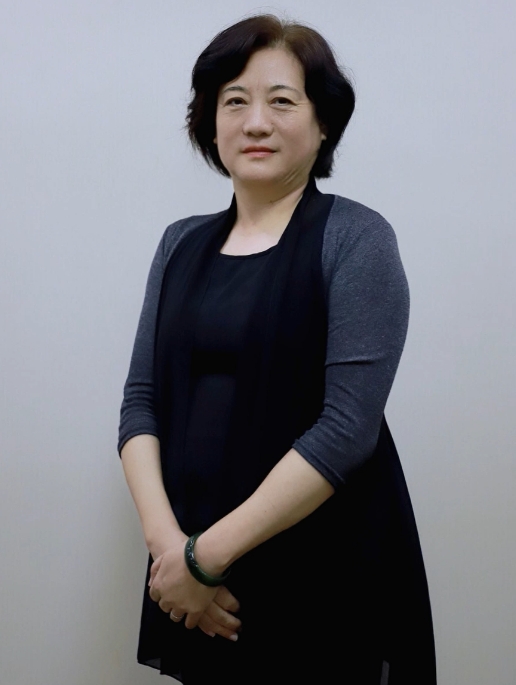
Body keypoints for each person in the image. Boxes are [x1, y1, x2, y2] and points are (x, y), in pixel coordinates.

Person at [118, 13, 436, 685]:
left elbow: (346, 430)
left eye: (282, 101)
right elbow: (140, 403)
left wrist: (205, 558)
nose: (256, 122)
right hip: (192, 571)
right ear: (210, 124)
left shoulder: (356, 239)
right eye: (234, 101)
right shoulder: (179, 243)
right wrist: (170, 551)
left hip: (321, 569)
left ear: (323, 125)